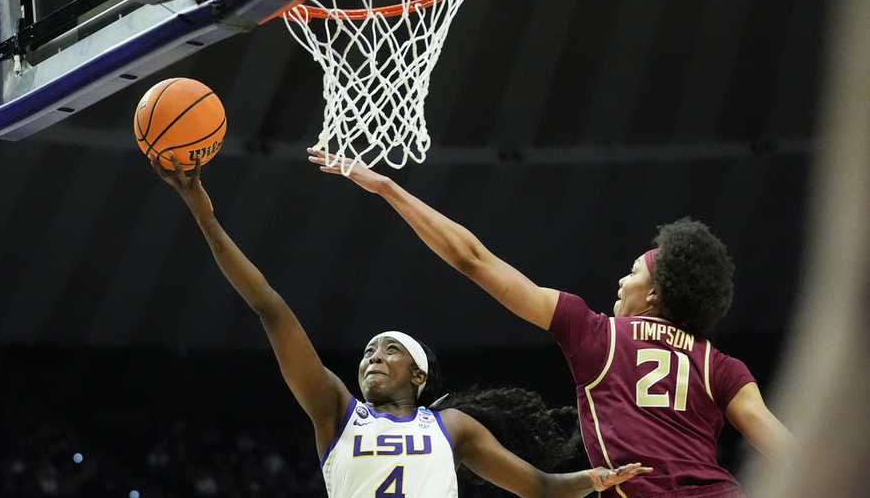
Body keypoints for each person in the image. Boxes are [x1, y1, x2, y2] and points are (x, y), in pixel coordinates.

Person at [151, 153, 650, 498]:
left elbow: (538, 487)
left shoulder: (451, 427)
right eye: (369, 351)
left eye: (390, 349)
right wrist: (206, 218)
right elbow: (270, 307)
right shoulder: (336, 411)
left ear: (418, 375)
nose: (373, 357)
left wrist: (593, 480)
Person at [308, 150, 794, 498]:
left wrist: (387, 187)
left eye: (633, 272)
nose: (621, 281)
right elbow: (783, 446)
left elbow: (473, 259)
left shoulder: (597, 334)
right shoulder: (721, 366)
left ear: (655, 293)